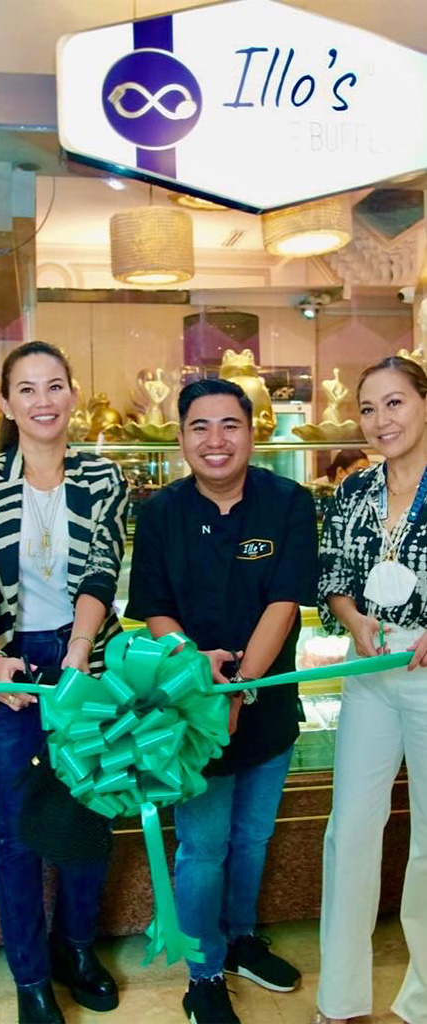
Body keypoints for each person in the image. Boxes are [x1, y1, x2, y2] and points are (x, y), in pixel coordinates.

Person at [126, 377, 318, 1024]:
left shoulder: (288, 502)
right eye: (200, 426)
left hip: (267, 702)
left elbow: (284, 604)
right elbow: (155, 609)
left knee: (254, 836)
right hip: (192, 712)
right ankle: (203, 971)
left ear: (252, 432)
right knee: (202, 846)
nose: (216, 439)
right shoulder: (160, 513)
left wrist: (239, 687)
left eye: (229, 424)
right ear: (181, 438)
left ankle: (240, 939)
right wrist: (200, 679)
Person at [0, 341, 127, 1024]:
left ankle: (76, 948)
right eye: (26, 389)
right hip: (3, 658)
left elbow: (102, 570)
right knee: (17, 827)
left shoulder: (102, 476)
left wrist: (80, 651)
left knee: (89, 808)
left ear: (73, 394)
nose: (43, 400)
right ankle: (30, 978)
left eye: (55, 385)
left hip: (84, 652)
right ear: (4, 403)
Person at [315, 355, 427, 1024]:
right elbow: (332, 573)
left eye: (394, 402)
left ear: (425, 403)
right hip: (368, 670)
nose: (380, 420)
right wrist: (353, 619)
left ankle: (423, 1001)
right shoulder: (355, 489)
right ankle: (341, 1000)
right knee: (351, 830)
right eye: (367, 408)